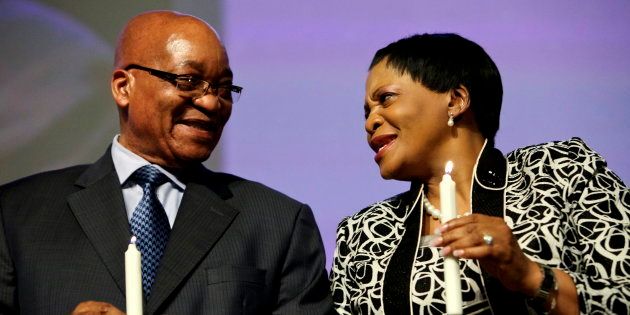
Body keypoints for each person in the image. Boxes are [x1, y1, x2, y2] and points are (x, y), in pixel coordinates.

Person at [0, 10, 334, 314]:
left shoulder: (278, 224)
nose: (212, 102)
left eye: (224, 87)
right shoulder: (16, 214)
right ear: (122, 87)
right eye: (189, 81)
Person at [330, 33, 630, 314]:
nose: (371, 121)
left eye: (385, 99)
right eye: (366, 112)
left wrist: (528, 274)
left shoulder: (559, 169)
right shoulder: (363, 234)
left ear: (456, 100)